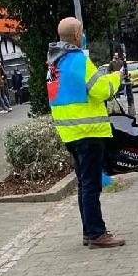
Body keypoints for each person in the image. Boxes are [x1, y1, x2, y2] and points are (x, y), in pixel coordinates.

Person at [47, 17, 126, 249]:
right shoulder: (79, 60)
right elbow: (101, 90)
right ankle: (96, 234)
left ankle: (88, 230)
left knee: (84, 184)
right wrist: (117, 77)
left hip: (69, 133)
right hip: (88, 132)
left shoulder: (54, 64)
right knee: (91, 186)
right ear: (76, 34)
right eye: (82, 32)